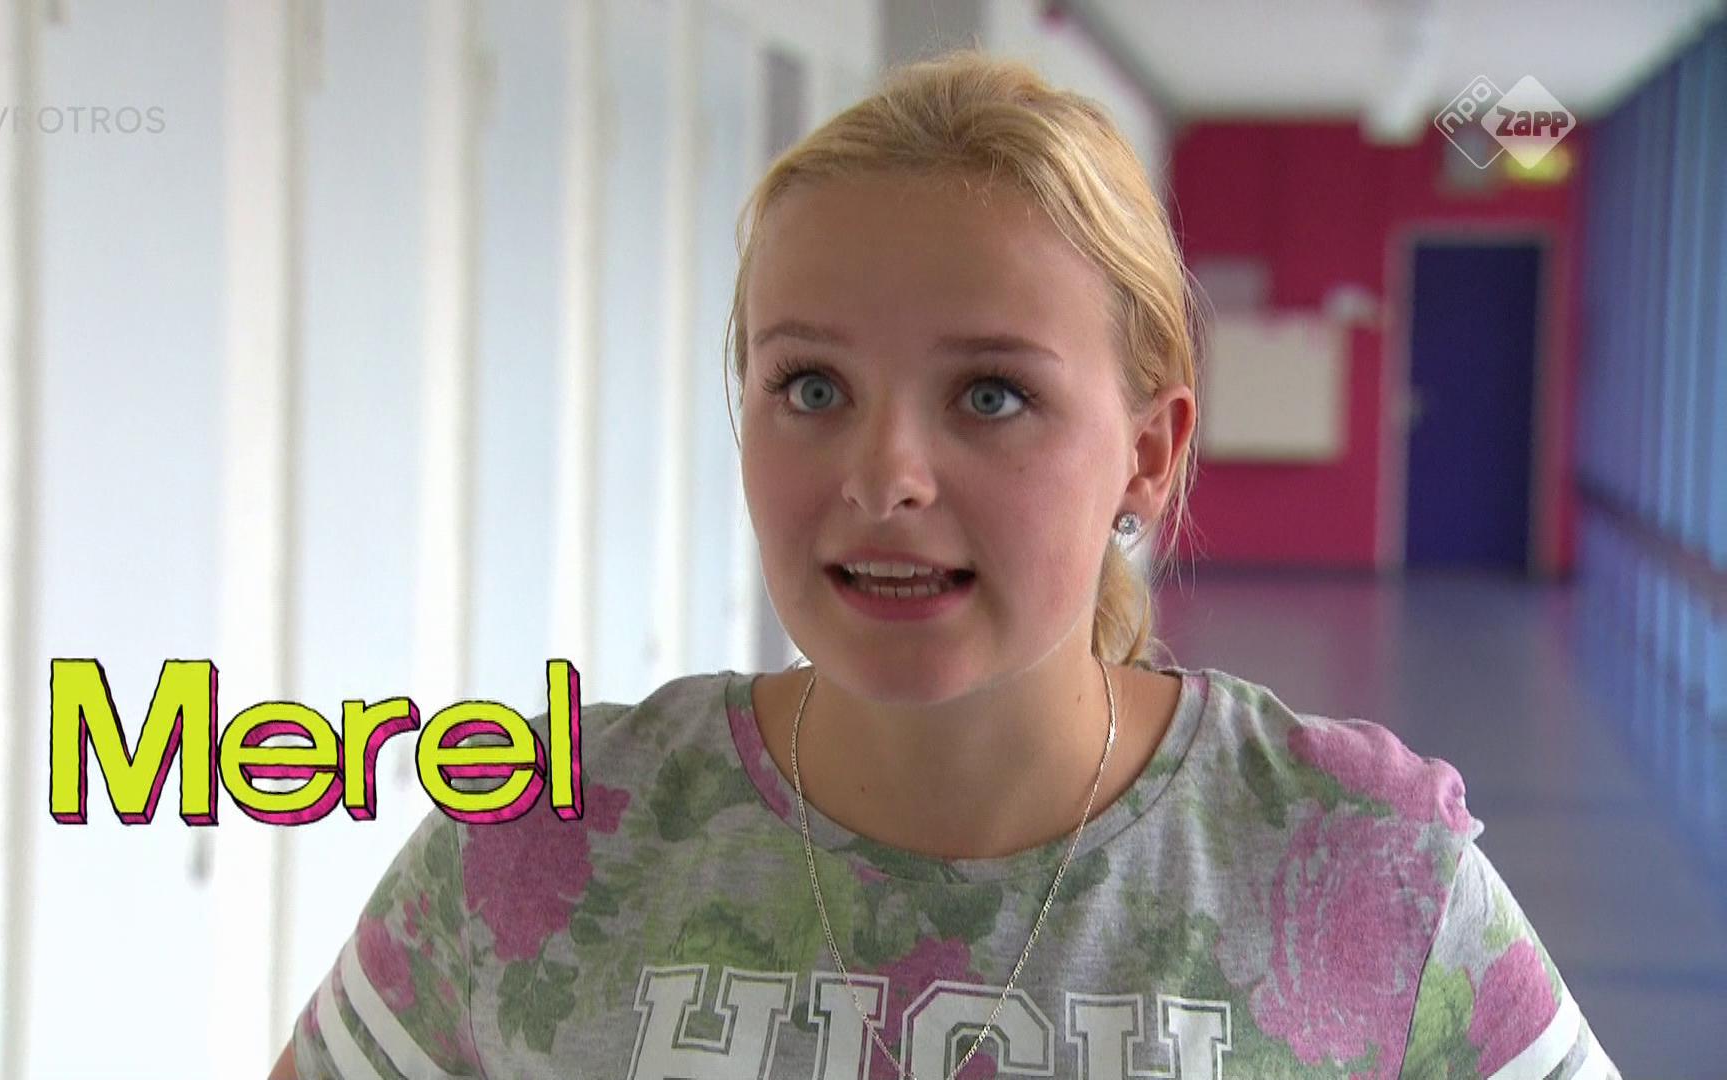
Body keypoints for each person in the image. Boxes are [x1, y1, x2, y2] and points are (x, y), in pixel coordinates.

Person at [273, 49, 1616, 1080]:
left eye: (990, 395)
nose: (885, 477)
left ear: (1149, 453)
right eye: (811, 386)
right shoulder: (532, 846)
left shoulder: (1364, 872)